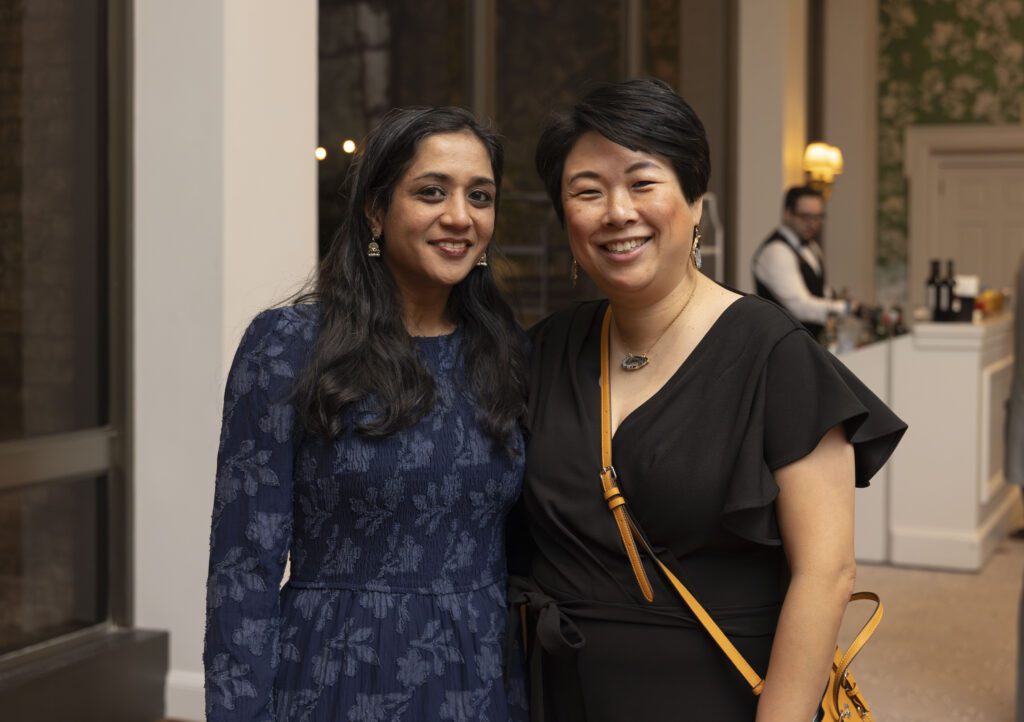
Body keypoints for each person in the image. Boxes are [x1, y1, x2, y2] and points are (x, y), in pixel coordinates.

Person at [514, 78, 906, 721]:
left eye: (643, 183)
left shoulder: (771, 352)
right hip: (560, 693)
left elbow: (827, 571)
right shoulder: (547, 351)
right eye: (587, 191)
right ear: (567, 221)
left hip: (717, 692)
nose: (617, 211)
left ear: (697, 203)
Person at [204, 106, 529, 722]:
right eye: (432, 192)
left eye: (479, 196)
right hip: (338, 677)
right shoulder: (288, 345)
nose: (460, 217)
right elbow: (243, 567)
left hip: (482, 680)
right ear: (376, 211)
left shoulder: (506, 350)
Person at [752, 186, 852, 338]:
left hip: (806, 341)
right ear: (787, 214)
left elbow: (817, 289)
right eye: (805, 216)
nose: (812, 223)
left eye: (818, 217)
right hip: (781, 343)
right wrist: (845, 308)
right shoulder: (776, 251)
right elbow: (800, 306)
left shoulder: (812, 247)